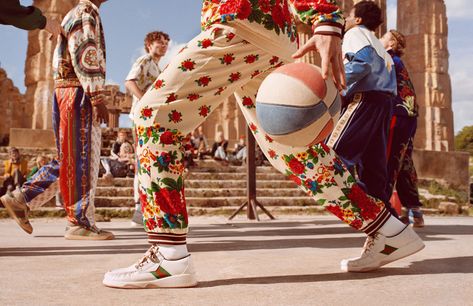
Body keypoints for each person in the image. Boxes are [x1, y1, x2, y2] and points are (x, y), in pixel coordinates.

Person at [103, 0, 423, 289]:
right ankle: (387, 230)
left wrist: (322, 16)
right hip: (273, 35)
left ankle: (168, 255)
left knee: (153, 117)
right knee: (296, 153)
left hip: (241, 21)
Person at [0, 0, 114, 240]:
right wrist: (96, 96)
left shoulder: (79, 13)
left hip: (69, 91)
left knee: (73, 157)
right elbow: (85, 52)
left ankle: (23, 198)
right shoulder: (84, 13)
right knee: (81, 158)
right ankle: (78, 222)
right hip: (78, 91)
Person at [326, 1, 398, 217]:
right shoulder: (378, 43)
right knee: (373, 166)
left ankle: (350, 203)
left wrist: (332, 84)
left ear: (357, 20)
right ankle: (386, 219)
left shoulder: (355, 33)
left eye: (349, 15)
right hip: (385, 103)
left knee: (333, 154)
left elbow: (362, 63)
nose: (345, 19)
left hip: (365, 100)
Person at [380, 29, 424, 227]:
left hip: (398, 114)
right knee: (403, 160)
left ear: (390, 44)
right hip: (408, 114)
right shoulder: (397, 62)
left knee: (389, 159)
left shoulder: (388, 60)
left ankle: (383, 211)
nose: (379, 39)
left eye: (383, 37)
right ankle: (414, 210)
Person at [125, 31, 170, 226]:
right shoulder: (144, 60)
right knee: (142, 162)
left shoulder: (157, 68)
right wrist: (145, 101)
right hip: (141, 117)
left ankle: (149, 209)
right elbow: (129, 81)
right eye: (159, 42)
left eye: (166, 43)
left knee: (151, 163)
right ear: (149, 45)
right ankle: (138, 210)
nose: (164, 45)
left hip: (152, 120)